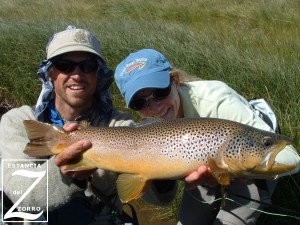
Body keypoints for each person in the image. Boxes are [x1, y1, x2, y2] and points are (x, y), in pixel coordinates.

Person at [114, 49, 300, 225]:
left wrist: (243, 171)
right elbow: (160, 198)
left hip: (249, 159)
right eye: (140, 103)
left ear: (175, 81)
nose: (155, 107)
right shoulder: (146, 136)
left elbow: (292, 158)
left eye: (160, 93)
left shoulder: (218, 101)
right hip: (209, 170)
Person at [0, 26, 140, 225]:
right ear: (50, 74)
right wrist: (65, 173)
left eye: (88, 66)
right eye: (65, 65)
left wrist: (166, 180)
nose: (76, 74)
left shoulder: (121, 125)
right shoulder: (18, 121)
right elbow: (21, 195)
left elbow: (155, 195)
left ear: (98, 74)